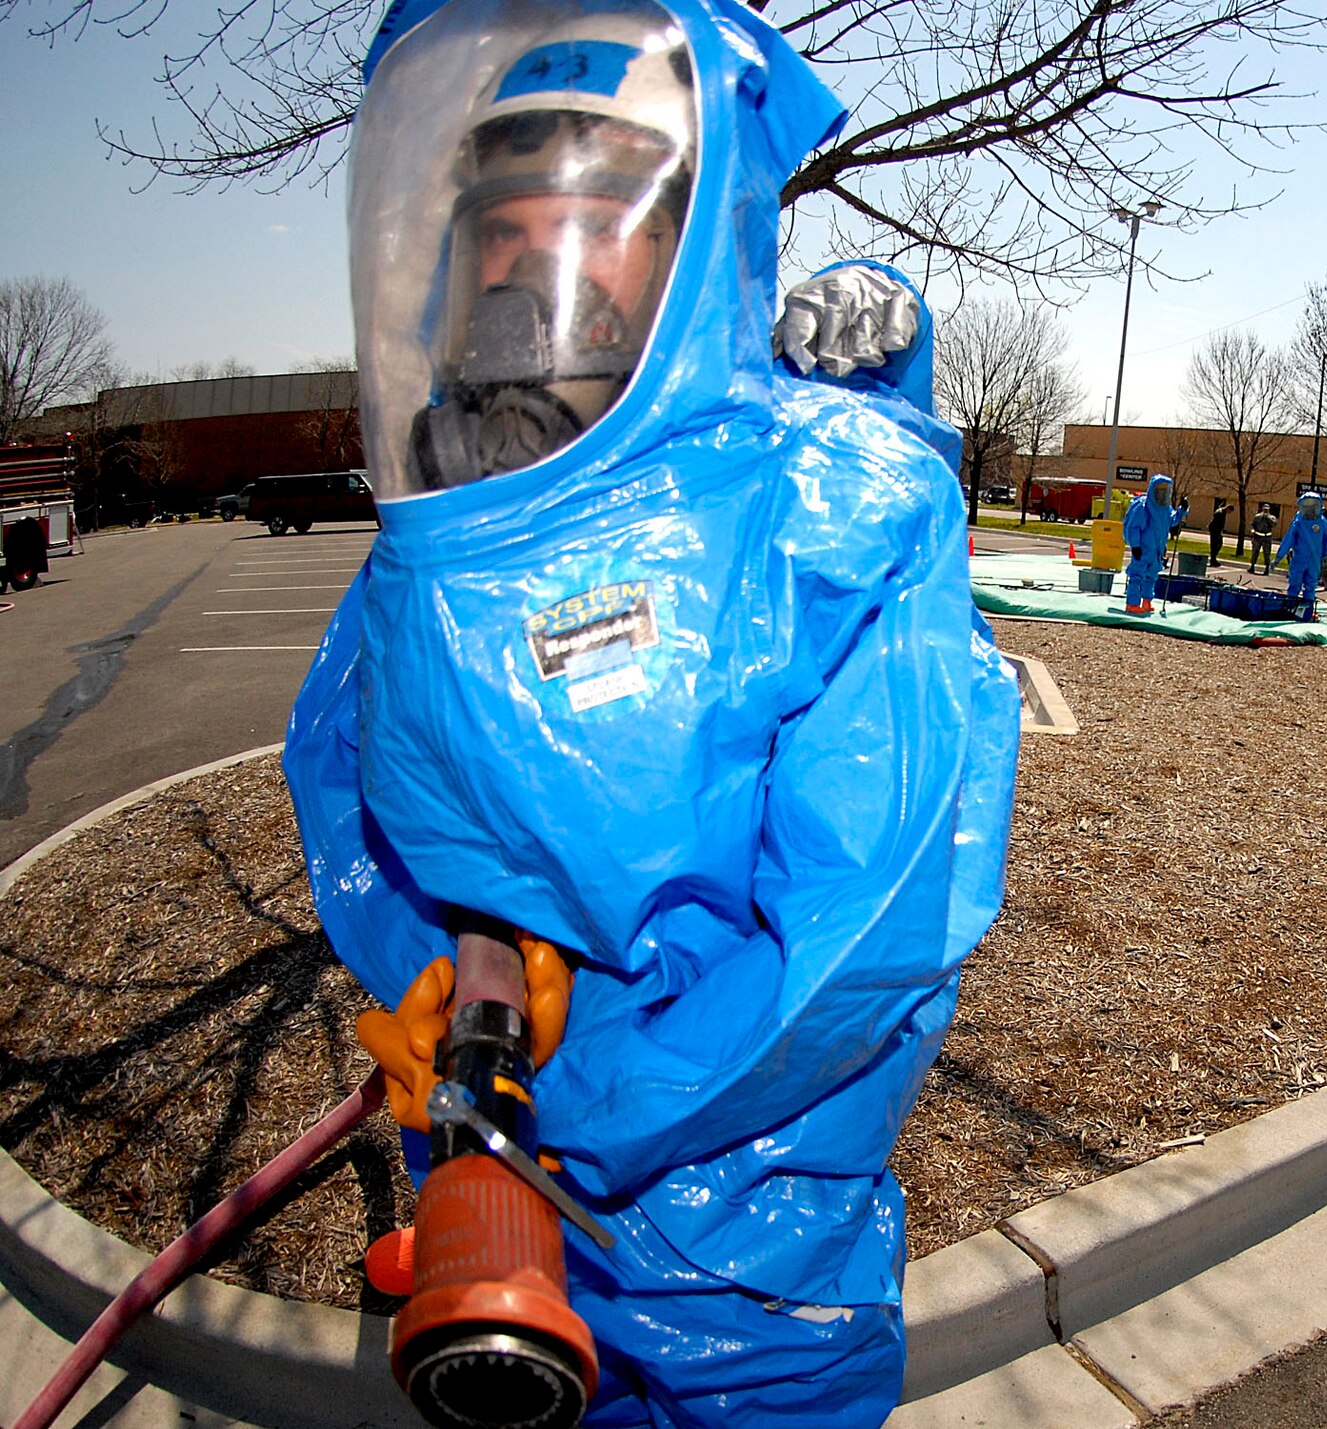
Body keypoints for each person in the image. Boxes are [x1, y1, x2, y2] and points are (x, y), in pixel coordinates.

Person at [285, 1, 1019, 1423]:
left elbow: (862, 946)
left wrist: (553, 1104)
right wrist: (453, 991)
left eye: (589, 213)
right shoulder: (445, 533)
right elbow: (354, 802)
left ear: (689, 241)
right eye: (503, 221)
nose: (531, 260)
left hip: (746, 1292)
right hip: (499, 1247)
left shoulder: (837, 506)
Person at [1123, 473, 1182, 614]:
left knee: (1152, 576)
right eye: (1160, 490)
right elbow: (1133, 527)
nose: (1163, 493)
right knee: (1137, 576)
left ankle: (1147, 601)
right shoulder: (1143, 507)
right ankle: (1132, 603)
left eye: (1166, 490)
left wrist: (1182, 511)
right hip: (1143, 549)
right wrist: (1135, 545)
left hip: (1157, 550)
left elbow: (1173, 520)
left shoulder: (1165, 510)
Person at [1275, 492, 1327, 619]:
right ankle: (1291, 610)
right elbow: (1289, 539)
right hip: (1300, 557)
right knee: (1295, 584)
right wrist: (1279, 556)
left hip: (1313, 559)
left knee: (1310, 585)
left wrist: (1326, 555)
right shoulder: (1299, 522)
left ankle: (1304, 613)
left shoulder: (1323, 523)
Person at [1249, 502, 1277, 575]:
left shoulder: (1272, 517)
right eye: (1264, 509)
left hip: (1267, 537)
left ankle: (1267, 568)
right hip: (1257, 536)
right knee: (1255, 552)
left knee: (1267, 553)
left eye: (1267, 510)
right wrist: (1252, 530)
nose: (1265, 511)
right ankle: (1252, 566)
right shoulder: (1257, 517)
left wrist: (1268, 518)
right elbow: (1252, 524)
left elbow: (1274, 524)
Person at [1207, 497, 1233, 565]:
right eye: (1230, 511)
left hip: (1218, 530)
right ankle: (1213, 560)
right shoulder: (1220, 512)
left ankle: (1214, 558)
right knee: (1214, 545)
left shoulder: (1223, 512)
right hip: (1215, 530)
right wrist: (1217, 530)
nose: (1229, 513)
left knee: (1219, 544)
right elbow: (1215, 520)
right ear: (1228, 509)